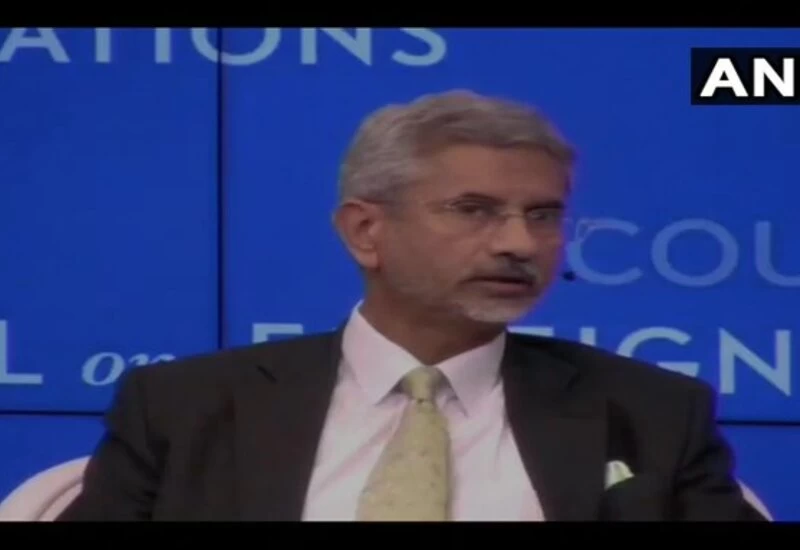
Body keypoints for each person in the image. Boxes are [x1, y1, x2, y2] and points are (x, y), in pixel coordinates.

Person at [57, 90, 765, 522]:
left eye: (543, 215)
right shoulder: (184, 409)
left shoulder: (650, 413)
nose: (520, 243)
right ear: (366, 231)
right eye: (474, 210)